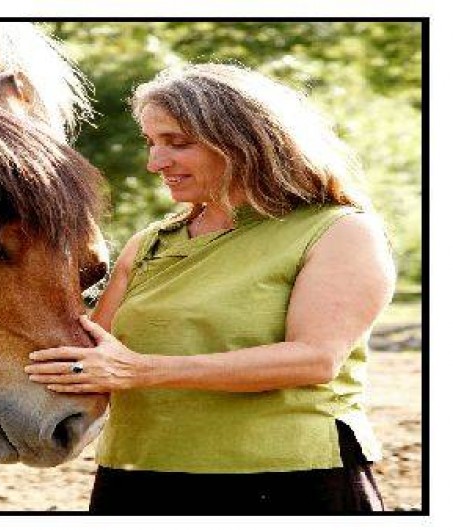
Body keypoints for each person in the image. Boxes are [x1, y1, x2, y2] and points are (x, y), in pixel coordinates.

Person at [24, 63, 396, 514]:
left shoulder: (337, 231)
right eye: (152, 143)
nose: (155, 163)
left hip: (288, 481)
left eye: (177, 143)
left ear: (245, 142)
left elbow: (315, 359)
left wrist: (143, 371)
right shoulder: (149, 243)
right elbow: (93, 356)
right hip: (138, 479)